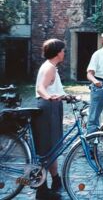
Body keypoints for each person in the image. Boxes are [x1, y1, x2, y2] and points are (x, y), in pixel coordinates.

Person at [33, 39, 66, 199]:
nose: (64, 53)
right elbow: (41, 88)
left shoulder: (51, 67)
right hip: (47, 108)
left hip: (52, 107)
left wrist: (65, 96)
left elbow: (52, 88)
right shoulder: (50, 68)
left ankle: (55, 180)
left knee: (52, 147)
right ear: (58, 52)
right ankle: (41, 190)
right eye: (63, 50)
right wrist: (49, 97)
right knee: (46, 149)